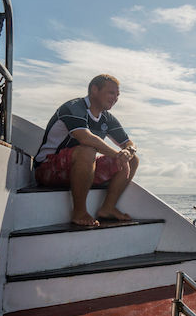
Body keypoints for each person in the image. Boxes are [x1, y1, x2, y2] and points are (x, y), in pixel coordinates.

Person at [33, 74, 139, 227]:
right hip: (47, 169)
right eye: (111, 93)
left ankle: (107, 208)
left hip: (80, 169)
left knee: (133, 159)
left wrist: (128, 151)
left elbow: (129, 143)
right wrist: (118, 155)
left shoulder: (107, 118)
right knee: (87, 150)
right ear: (94, 90)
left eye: (117, 95)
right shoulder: (73, 107)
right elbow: (85, 138)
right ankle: (80, 212)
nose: (115, 98)